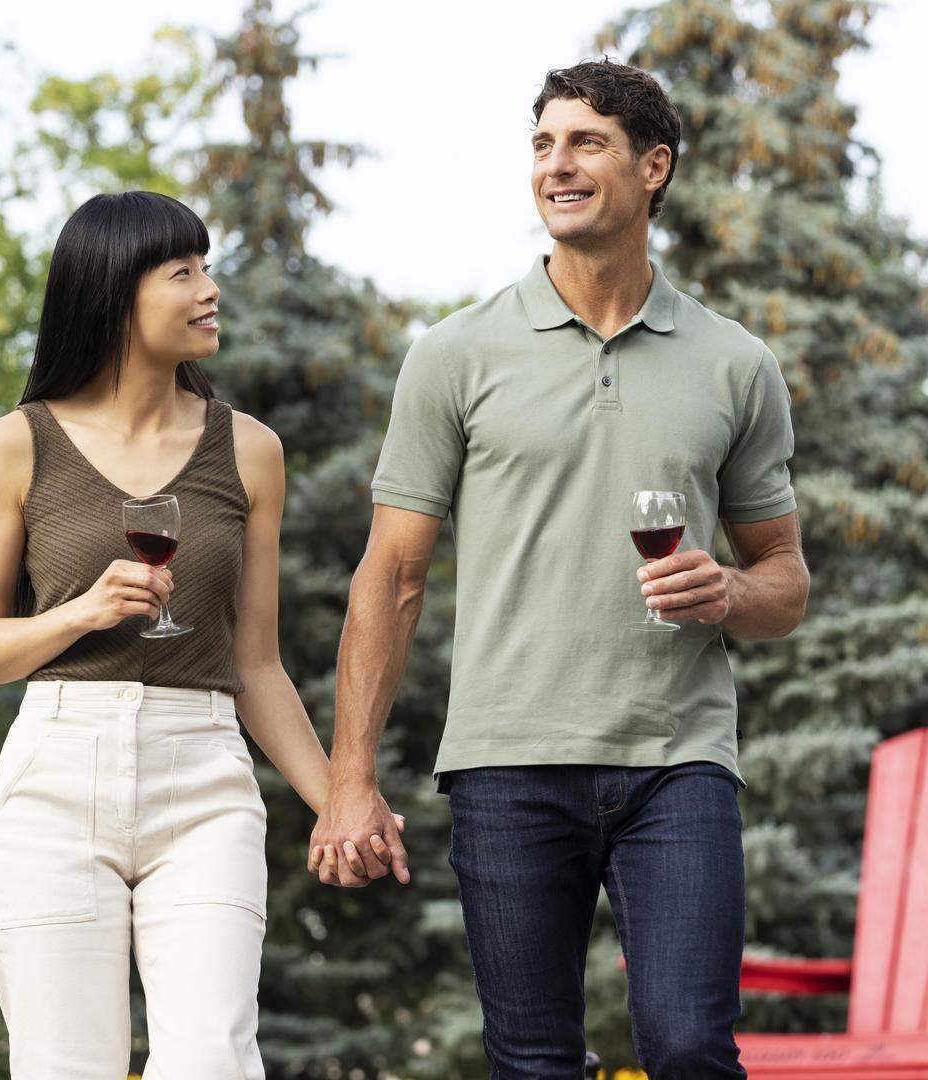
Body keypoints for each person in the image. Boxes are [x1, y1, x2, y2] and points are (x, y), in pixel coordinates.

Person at [308, 61, 810, 1078]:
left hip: (679, 759)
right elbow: (393, 575)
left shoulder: (733, 363)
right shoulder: (455, 355)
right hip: (507, 759)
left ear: (654, 167)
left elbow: (785, 581)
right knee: (533, 1062)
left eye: (586, 142)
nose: (557, 164)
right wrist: (348, 779)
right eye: (543, 144)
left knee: (689, 1048)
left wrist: (730, 591)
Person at [0, 190, 396, 1078]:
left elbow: (256, 663)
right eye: (182, 271)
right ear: (116, 294)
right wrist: (81, 612)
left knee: (213, 1061)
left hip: (204, 779)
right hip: (56, 777)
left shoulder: (250, 449)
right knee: (63, 1064)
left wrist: (341, 799)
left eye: (207, 267)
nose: (209, 289)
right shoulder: (17, 444)